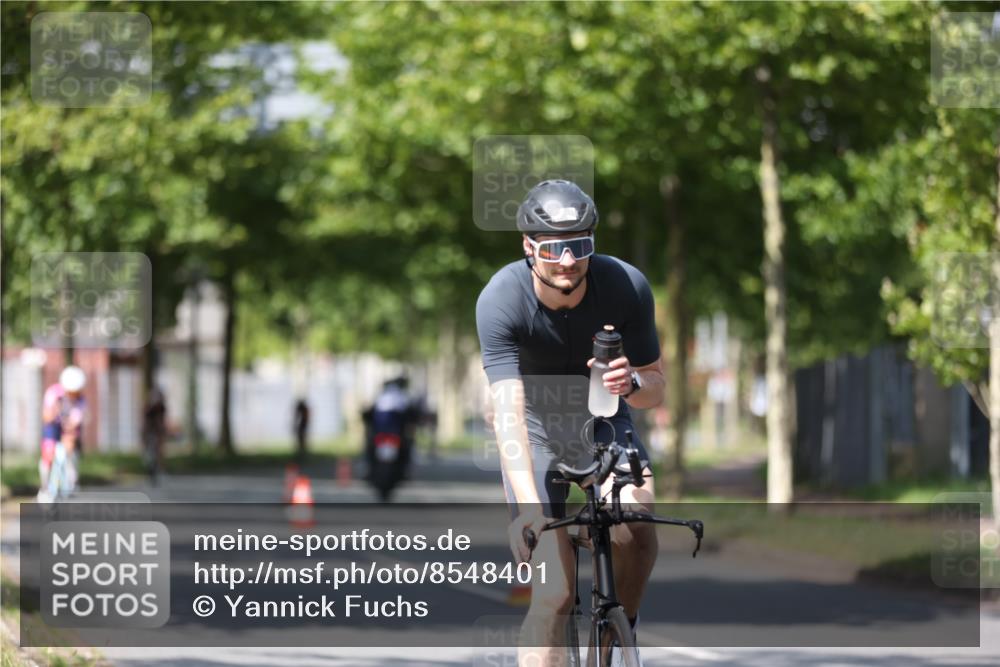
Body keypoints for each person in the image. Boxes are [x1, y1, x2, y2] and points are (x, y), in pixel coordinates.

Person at [476, 180, 665, 666]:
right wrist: (528, 509)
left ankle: (619, 632)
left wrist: (635, 386)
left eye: (579, 246)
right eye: (553, 247)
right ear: (528, 247)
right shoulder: (502, 298)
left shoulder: (625, 285)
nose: (567, 260)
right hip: (534, 429)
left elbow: (656, 386)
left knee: (639, 527)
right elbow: (509, 414)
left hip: (602, 420)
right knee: (554, 595)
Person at [38, 365, 88, 501]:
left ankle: (71, 478)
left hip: (69, 427)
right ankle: (45, 486)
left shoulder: (81, 400)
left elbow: (76, 421)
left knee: (70, 445)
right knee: (48, 452)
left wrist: (69, 430)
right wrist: (54, 411)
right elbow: (47, 416)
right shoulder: (53, 393)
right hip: (53, 425)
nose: (73, 395)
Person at [142, 386, 168, 484]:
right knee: (150, 450)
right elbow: (145, 422)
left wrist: (161, 431)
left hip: (156, 431)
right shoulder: (148, 406)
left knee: (159, 449)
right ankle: (152, 467)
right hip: (150, 430)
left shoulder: (161, 407)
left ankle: (159, 467)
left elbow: (161, 421)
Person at [293, 398, 311, 464]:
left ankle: (302, 453)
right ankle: (301, 452)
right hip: (302, 425)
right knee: (301, 439)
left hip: (303, 425)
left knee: (302, 439)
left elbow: (297, 417)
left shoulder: (304, 410)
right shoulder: (304, 410)